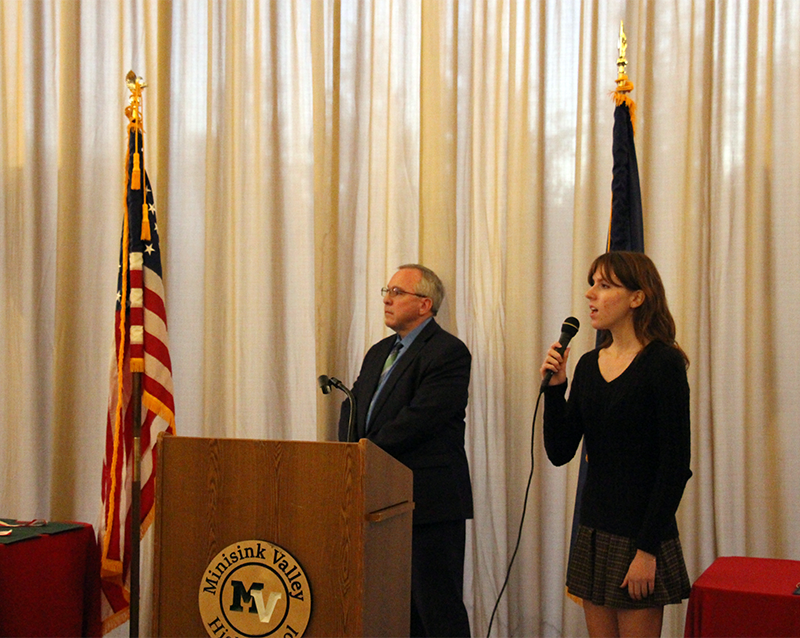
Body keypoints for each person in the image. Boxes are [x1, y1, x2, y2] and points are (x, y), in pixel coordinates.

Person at [540, 251, 692, 638]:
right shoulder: (589, 365)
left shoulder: (663, 363)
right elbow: (560, 452)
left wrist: (647, 550)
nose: (590, 295)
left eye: (604, 285)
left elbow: (674, 466)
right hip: (594, 530)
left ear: (637, 298)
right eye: (592, 284)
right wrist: (556, 392)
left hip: (640, 534)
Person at [339, 264, 472, 638]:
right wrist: (347, 457)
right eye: (387, 290)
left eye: (398, 292)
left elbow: (421, 419)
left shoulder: (448, 352)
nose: (386, 298)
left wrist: (365, 452)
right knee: (394, 610)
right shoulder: (378, 352)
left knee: (436, 609)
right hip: (380, 502)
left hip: (429, 502)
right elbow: (353, 406)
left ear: (424, 304)